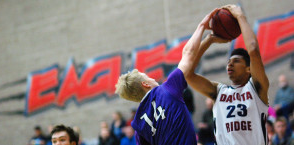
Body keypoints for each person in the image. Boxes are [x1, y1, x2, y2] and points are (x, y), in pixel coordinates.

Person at [115, 7, 221, 145]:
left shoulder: (138, 126)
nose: (152, 78)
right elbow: (188, 53)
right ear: (145, 84)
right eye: (147, 77)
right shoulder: (167, 89)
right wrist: (202, 26)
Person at [188, 4, 269, 144]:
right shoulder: (218, 91)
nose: (230, 64)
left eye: (236, 61)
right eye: (229, 62)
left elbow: (254, 50)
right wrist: (209, 40)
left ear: (248, 69)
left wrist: (240, 16)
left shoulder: (257, 88)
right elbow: (188, 73)